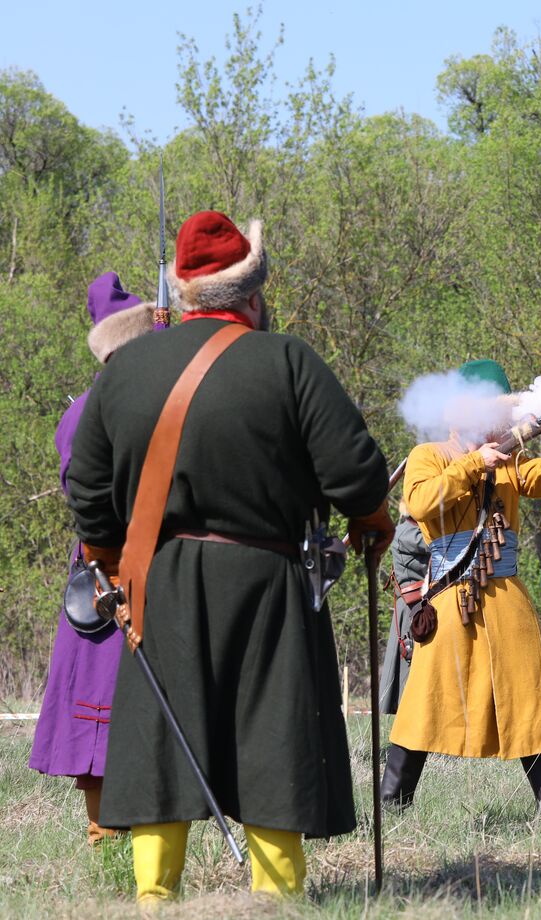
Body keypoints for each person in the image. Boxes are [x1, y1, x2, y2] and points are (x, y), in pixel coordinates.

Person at [66, 211, 392, 902]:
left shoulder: (124, 372)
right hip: (267, 582)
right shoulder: (288, 360)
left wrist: (105, 554)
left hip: (158, 582)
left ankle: (157, 901)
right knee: (273, 736)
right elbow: (357, 475)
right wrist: (370, 520)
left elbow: (88, 491)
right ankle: (277, 901)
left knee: (162, 738)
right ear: (253, 292)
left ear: (186, 294)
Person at [382, 360, 541, 819]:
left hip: (504, 594)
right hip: (448, 595)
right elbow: (421, 502)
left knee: (528, 698)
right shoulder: (431, 455)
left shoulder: (511, 460)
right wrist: (472, 464)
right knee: (426, 698)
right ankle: (392, 802)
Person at [30, 272, 158, 846]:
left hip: (157, 563)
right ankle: (103, 830)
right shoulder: (85, 412)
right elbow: (88, 496)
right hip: (104, 569)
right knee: (100, 699)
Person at [379, 500, 428, 716]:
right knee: (410, 664)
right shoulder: (407, 532)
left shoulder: (416, 530)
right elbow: (435, 545)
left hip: (422, 604)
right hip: (412, 607)